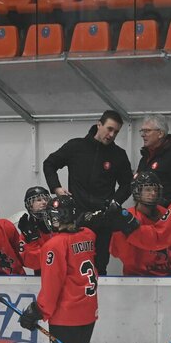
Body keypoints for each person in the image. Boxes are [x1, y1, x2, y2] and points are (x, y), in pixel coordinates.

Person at [18, 195, 99, 343]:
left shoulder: (54, 245)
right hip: (87, 309)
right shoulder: (88, 236)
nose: (51, 220)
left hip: (68, 312)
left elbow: (52, 285)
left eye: (54, 216)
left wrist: (37, 311)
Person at [43, 110, 133, 274]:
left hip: (103, 219)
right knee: (73, 264)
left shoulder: (118, 155)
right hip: (75, 219)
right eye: (109, 129)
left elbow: (128, 184)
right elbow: (49, 164)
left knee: (99, 266)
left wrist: (115, 202)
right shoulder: (76, 147)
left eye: (116, 132)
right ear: (99, 124)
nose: (112, 134)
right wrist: (56, 188)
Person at [110, 171, 171, 276]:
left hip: (167, 276)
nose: (153, 193)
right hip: (137, 277)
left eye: (155, 189)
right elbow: (118, 253)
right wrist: (118, 231)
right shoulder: (127, 217)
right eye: (148, 189)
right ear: (137, 191)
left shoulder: (166, 213)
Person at [137, 113, 171, 206]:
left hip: (166, 214)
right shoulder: (145, 157)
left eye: (147, 131)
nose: (143, 135)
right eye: (142, 131)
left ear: (160, 133)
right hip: (144, 213)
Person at [17, 186, 52, 274]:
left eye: (46, 199)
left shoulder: (59, 223)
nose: (44, 202)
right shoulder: (26, 229)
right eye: (39, 200)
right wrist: (32, 241)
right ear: (30, 205)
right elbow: (34, 264)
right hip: (42, 276)